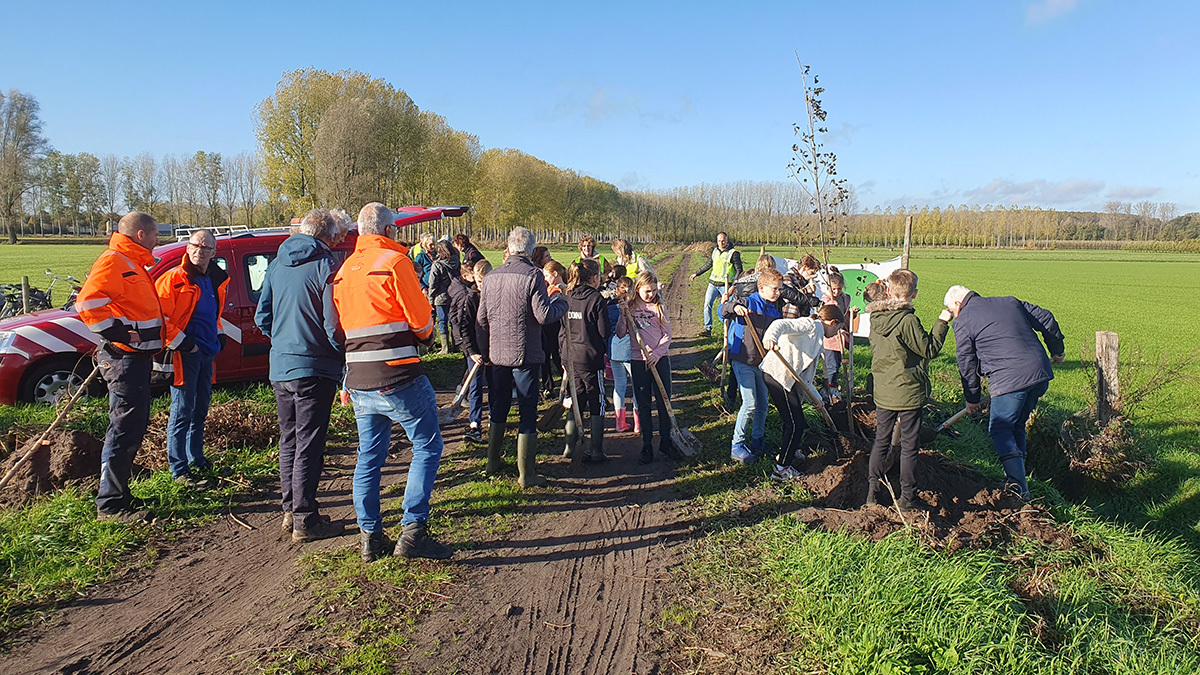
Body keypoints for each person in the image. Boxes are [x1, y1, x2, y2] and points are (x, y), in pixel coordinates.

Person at [332, 203, 452, 562]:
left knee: (369, 457)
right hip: (398, 374)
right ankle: (413, 532)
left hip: (358, 378)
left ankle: (370, 537)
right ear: (388, 231)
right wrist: (427, 334)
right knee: (427, 447)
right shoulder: (394, 264)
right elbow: (421, 321)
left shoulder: (343, 271)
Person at [255, 209, 347, 542]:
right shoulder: (326, 267)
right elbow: (332, 325)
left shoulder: (277, 264)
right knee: (309, 443)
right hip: (315, 367)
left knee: (289, 440)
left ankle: (290, 510)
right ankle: (306, 519)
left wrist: (281, 343)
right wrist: (341, 354)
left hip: (280, 366)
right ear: (327, 236)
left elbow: (262, 315)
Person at [76, 211, 163, 522]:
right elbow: (87, 303)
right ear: (141, 235)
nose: (158, 240)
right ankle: (111, 505)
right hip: (123, 358)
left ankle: (120, 495)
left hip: (134, 358)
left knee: (131, 426)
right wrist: (119, 335)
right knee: (124, 429)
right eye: (154, 234)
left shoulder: (134, 263)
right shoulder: (116, 261)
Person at [944, 285, 1065, 500]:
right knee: (1016, 424)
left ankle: (1019, 488)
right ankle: (1019, 479)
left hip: (1009, 379)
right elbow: (1046, 318)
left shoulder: (963, 321)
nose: (954, 316)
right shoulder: (1009, 301)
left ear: (957, 304)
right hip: (1039, 372)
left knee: (1000, 428)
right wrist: (1057, 350)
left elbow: (966, 362)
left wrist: (971, 398)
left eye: (952, 312)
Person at [478, 227, 568, 487]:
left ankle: (492, 461)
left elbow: (481, 320)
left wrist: (485, 352)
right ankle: (526, 474)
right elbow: (543, 316)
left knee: (499, 407)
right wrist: (561, 301)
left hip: (497, 355)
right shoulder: (533, 276)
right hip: (525, 355)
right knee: (527, 412)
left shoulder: (491, 277)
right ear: (530, 250)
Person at [864, 269, 951, 510]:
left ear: (889, 291)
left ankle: (872, 491)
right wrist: (942, 322)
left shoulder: (876, 318)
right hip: (907, 392)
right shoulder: (908, 321)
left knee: (881, 440)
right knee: (910, 446)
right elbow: (929, 350)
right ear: (914, 294)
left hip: (883, 389)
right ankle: (907, 498)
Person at [156, 228, 228, 487]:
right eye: (196, 245)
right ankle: (179, 470)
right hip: (184, 355)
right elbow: (160, 321)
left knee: (200, 410)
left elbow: (212, 314)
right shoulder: (173, 279)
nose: (200, 251)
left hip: (206, 354)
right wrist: (185, 345)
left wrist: (219, 335)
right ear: (187, 248)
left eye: (206, 247)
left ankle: (196, 458)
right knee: (182, 411)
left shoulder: (214, 280)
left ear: (214, 252)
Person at [760, 305, 839, 480]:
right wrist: (770, 338)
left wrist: (817, 400)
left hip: (787, 379)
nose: (836, 333)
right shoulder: (810, 325)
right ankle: (781, 470)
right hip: (778, 375)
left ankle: (787, 453)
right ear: (833, 323)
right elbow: (780, 324)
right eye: (838, 329)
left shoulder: (817, 339)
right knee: (796, 424)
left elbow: (806, 379)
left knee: (793, 422)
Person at [720, 268, 784, 464]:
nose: (778, 293)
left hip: (762, 362)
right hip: (743, 359)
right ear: (762, 287)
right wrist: (734, 308)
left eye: (779, 289)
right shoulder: (748, 302)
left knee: (763, 405)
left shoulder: (774, 311)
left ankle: (757, 440)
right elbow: (722, 310)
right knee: (750, 403)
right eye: (774, 289)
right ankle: (736, 446)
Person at [617, 270, 679, 463]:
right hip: (638, 360)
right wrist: (622, 316)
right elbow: (620, 334)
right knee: (643, 403)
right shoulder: (630, 307)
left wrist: (656, 354)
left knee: (664, 400)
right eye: (646, 291)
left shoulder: (659, 307)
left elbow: (667, 335)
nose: (650, 294)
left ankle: (666, 441)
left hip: (659, 359)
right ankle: (646, 444)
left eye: (653, 291)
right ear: (637, 289)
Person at [559, 260, 611, 462]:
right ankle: (597, 450)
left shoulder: (567, 297)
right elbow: (604, 331)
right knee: (597, 400)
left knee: (575, 400)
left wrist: (562, 356)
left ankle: (569, 448)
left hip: (570, 357)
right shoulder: (596, 299)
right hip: (590, 358)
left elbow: (562, 331)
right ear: (595, 278)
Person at [450, 258, 492, 443]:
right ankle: (475, 423)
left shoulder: (495, 296)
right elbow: (464, 327)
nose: (481, 285)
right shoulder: (470, 298)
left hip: (493, 350)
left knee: (495, 385)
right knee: (475, 387)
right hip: (475, 351)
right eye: (478, 281)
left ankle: (494, 418)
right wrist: (471, 351)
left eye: (484, 281)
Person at [690, 232, 743, 336]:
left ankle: (729, 330)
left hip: (726, 286)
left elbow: (739, 271)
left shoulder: (733, 253)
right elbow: (708, 265)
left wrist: (733, 287)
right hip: (713, 284)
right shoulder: (715, 251)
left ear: (727, 241)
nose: (721, 243)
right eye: (719, 241)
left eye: (723, 240)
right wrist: (696, 273)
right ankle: (707, 329)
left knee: (726, 308)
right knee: (707, 305)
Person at [608, 276, 636, 433]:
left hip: (614, 349)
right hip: (631, 349)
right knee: (637, 384)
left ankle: (620, 423)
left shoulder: (610, 305)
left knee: (619, 385)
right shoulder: (634, 306)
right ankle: (638, 423)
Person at [427, 239, 461, 354]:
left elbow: (433, 284)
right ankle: (457, 345)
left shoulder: (437, 265)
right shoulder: (457, 262)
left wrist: (430, 299)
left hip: (441, 297)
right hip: (455, 295)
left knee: (442, 321)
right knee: (454, 321)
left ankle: (445, 348)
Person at [821, 271, 851, 398]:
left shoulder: (846, 298)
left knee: (838, 363)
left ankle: (834, 385)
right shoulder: (825, 300)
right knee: (831, 364)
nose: (837, 292)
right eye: (834, 289)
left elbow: (846, 314)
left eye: (839, 289)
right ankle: (829, 388)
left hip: (841, 335)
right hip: (831, 335)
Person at [540, 260, 567, 398]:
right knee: (544, 358)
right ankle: (548, 387)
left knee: (559, 358)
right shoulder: (549, 288)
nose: (545, 279)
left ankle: (567, 386)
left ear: (555, 273)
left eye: (547, 276)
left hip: (558, 329)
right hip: (546, 330)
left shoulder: (563, 289)